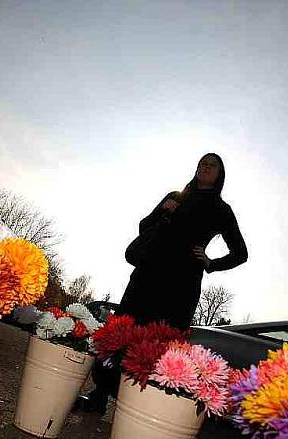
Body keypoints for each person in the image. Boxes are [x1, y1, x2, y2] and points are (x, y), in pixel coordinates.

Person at [79, 153, 248, 413]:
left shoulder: (221, 210)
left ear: (220, 175)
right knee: (122, 332)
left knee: (159, 344)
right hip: (148, 276)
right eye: (202, 162)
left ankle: (138, 409)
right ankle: (100, 393)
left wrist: (211, 263)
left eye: (212, 165)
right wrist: (163, 214)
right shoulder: (177, 195)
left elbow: (240, 253)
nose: (205, 167)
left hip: (181, 286)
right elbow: (144, 226)